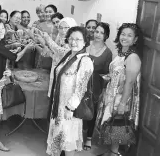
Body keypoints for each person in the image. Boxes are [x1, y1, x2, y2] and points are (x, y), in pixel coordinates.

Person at [0, 18, 34, 156]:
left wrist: (6, 71)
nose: (1, 31)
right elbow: (15, 57)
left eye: (2, 28)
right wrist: (27, 48)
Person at [93, 23, 142, 156]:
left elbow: (130, 82)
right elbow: (119, 74)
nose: (124, 37)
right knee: (111, 126)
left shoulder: (132, 57)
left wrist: (122, 103)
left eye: (129, 35)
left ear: (135, 39)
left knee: (117, 127)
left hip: (121, 97)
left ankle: (114, 153)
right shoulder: (121, 53)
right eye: (123, 34)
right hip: (113, 94)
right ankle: (111, 152)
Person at [44, 26, 94, 156]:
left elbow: (81, 89)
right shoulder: (68, 55)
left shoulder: (85, 61)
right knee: (58, 139)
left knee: (67, 142)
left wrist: (70, 108)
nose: (73, 42)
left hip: (69, 109)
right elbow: (55, 49)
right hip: (59, 105)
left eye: (78, 39)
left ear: (85, 42)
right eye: (71, 38)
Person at [82, 22, 113, 151]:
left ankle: (89, 137)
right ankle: (78, 134)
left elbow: (106, 72)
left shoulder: (108, 52)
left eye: (101, 33)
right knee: (78, 107)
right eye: (96, 31)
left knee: (91, 110)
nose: (98, 35)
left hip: (95, 85)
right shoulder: (86, 45)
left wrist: (104, 89)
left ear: (106, 36)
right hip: (81, 81)